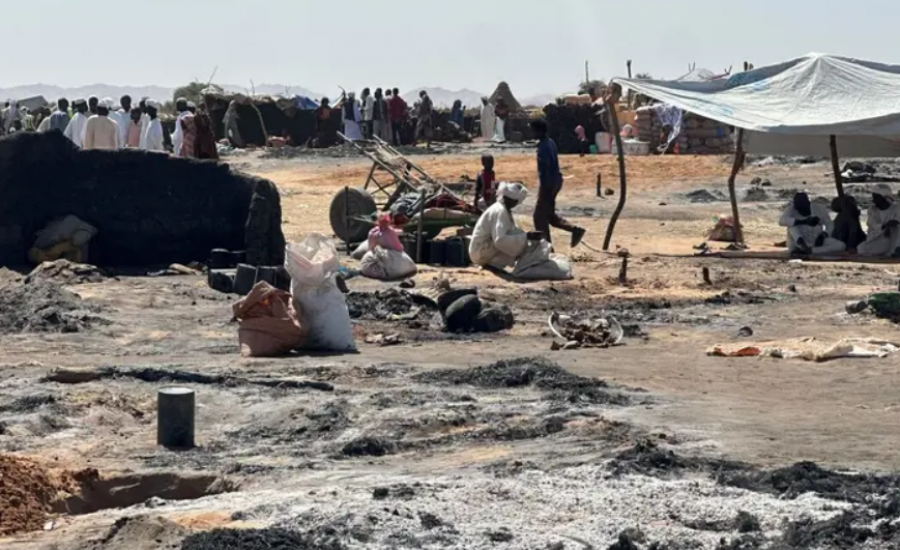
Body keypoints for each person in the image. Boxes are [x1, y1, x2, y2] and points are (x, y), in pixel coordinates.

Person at [531, 119, 585, 247]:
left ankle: (546, 249)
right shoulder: (550, 142)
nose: (531, 133)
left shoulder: (543, 147)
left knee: (539, 217)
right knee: (549, 215)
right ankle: (574, 230)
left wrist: (544, 191)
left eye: (533, 131)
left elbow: (545, 170)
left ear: (539, 131)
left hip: (549, 184)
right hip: (556, 181)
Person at [469, 181, 543, 269]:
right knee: (518, 249)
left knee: (519, 242)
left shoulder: (502, 208)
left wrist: (527, 236)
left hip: (481, 249)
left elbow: (511, 231)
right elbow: (500, 240)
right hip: (480, 252)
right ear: (514, 201)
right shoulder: (500, 211)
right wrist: (526, 237)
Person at [778, 192, 846, 255]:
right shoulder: (792, 208)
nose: (800, 210)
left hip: (816, 240)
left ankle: (811, 251)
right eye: (798, 209)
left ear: (808, 203)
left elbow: (830, 225)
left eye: (802, 208)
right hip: (799, 242)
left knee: (841, 245)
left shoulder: (819, 209)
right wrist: (804, 221)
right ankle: (801, 248)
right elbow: (781, 221)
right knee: (791, 225)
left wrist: (823, 235)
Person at [858, 184, 900, 257]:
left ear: (885, 197)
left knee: (897, 228)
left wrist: (890, 226)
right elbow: (873, 225)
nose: (873, 200)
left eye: (876, 197)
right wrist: (885, 227)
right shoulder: (872, 210)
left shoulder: (896, 208)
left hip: (893, 240)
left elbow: (896, 221)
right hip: (878, 240)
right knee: (861, 248)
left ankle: (896, 250)